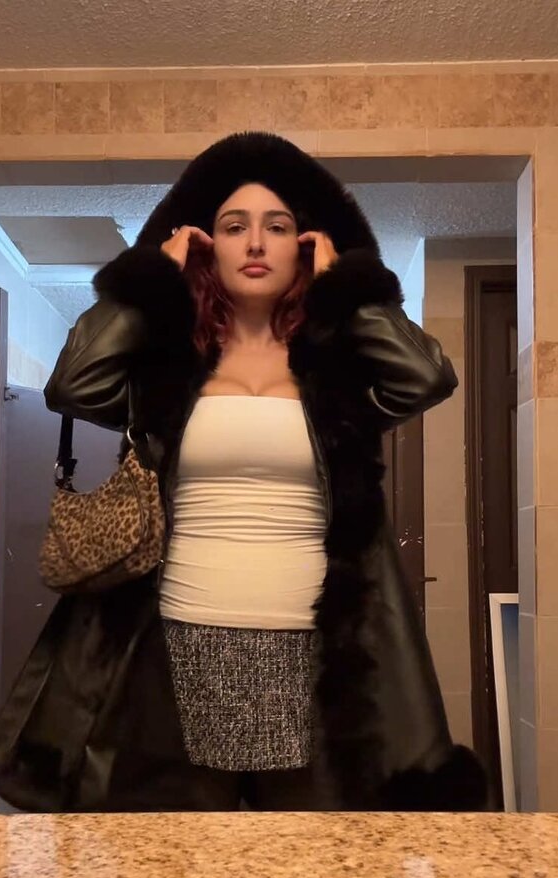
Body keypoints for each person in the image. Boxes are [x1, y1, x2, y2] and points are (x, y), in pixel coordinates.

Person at [44, 131, 489, 813]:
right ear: (204, 245)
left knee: (310, 864)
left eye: (276, 227)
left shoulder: (339, 370)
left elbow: (426, 378)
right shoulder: (168, 368)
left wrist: (350, 290)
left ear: (305, 246)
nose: (255, 243)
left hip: (317, 657)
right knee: (185, 863)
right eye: (233, 226)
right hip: (177, 645)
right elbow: (74, 385)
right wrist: (149, 281)